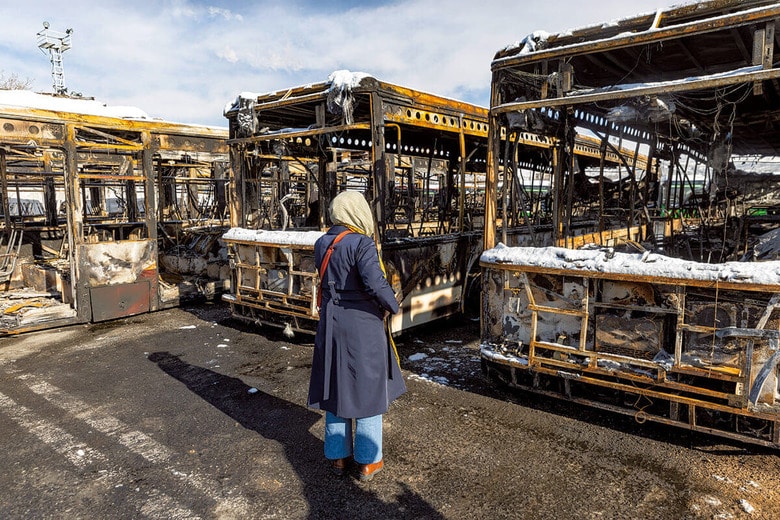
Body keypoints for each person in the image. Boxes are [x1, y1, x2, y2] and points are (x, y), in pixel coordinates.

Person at [307, 190, 406, 481]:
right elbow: (375, 283)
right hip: (362, 325)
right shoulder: (362, 243)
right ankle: (367, 460)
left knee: (335, 386)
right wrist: (393, 305)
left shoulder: (321, 243)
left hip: (331, 322)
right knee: (367, 389)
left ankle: (338, 457)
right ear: (358, 212)